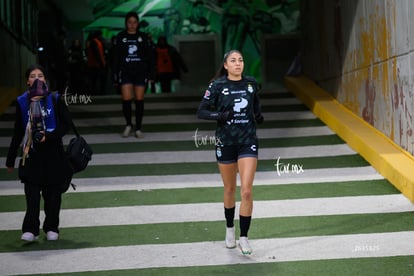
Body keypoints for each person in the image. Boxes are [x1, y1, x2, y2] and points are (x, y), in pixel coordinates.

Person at [197, 50, 264, 255]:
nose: (238, 64)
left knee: (246, 190)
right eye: (233, 61)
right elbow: (201, 111)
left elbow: (256, 106)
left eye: (241, 60)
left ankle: (244, 237)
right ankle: (229, 229)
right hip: (225, 141)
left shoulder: (251, 84)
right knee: (229, 190)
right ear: (225, 65)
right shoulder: (217, 85)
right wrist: (220, 115)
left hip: (247, 142)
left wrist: (259, 116)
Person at [5, 64, 72, 242]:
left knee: (53, 196)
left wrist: (48, 137)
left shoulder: (56, 99)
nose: (37, 78)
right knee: (32, 196)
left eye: (40, 75)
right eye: (33, 76)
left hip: (54, 155)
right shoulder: (21, 102)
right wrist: (10, 159)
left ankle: (51, 227)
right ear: (27, 81)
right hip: (32, 156)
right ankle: (30, 230)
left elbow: (66, 125)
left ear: (45, 80)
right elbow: (18, 132)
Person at [113, 11, 155, 138]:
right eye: (129, 22)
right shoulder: (120, 37)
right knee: (126, 100)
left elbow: (150, 57)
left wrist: (152, 74)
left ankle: (138, 128)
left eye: (134, 22)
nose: (132, 25)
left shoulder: (143, 37)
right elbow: (115, 57)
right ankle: (128, 125)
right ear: (126, 23)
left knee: (139, 100)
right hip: (125, 72)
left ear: (137, 24)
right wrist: (115, 74)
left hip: (140, 72)